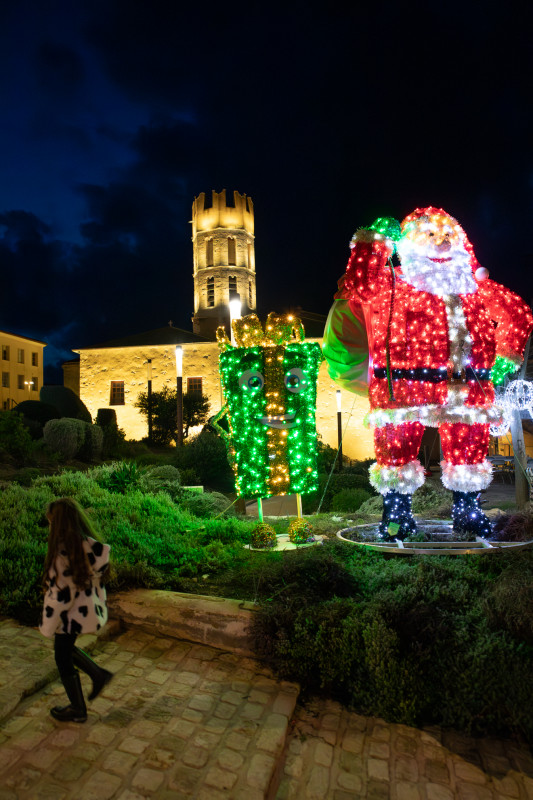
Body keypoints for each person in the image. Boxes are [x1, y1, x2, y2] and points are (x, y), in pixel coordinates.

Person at [40, 497, 113, 722]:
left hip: (69, 615)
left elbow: (61, 595)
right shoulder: (88, 545)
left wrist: (48, 624)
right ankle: (97, 676)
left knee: (62, 656)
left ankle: (78, 708)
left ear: (59, 523)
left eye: (51, 522)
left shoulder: (64, 552)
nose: (50, 526)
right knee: (65, 650)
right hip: (84, 609)